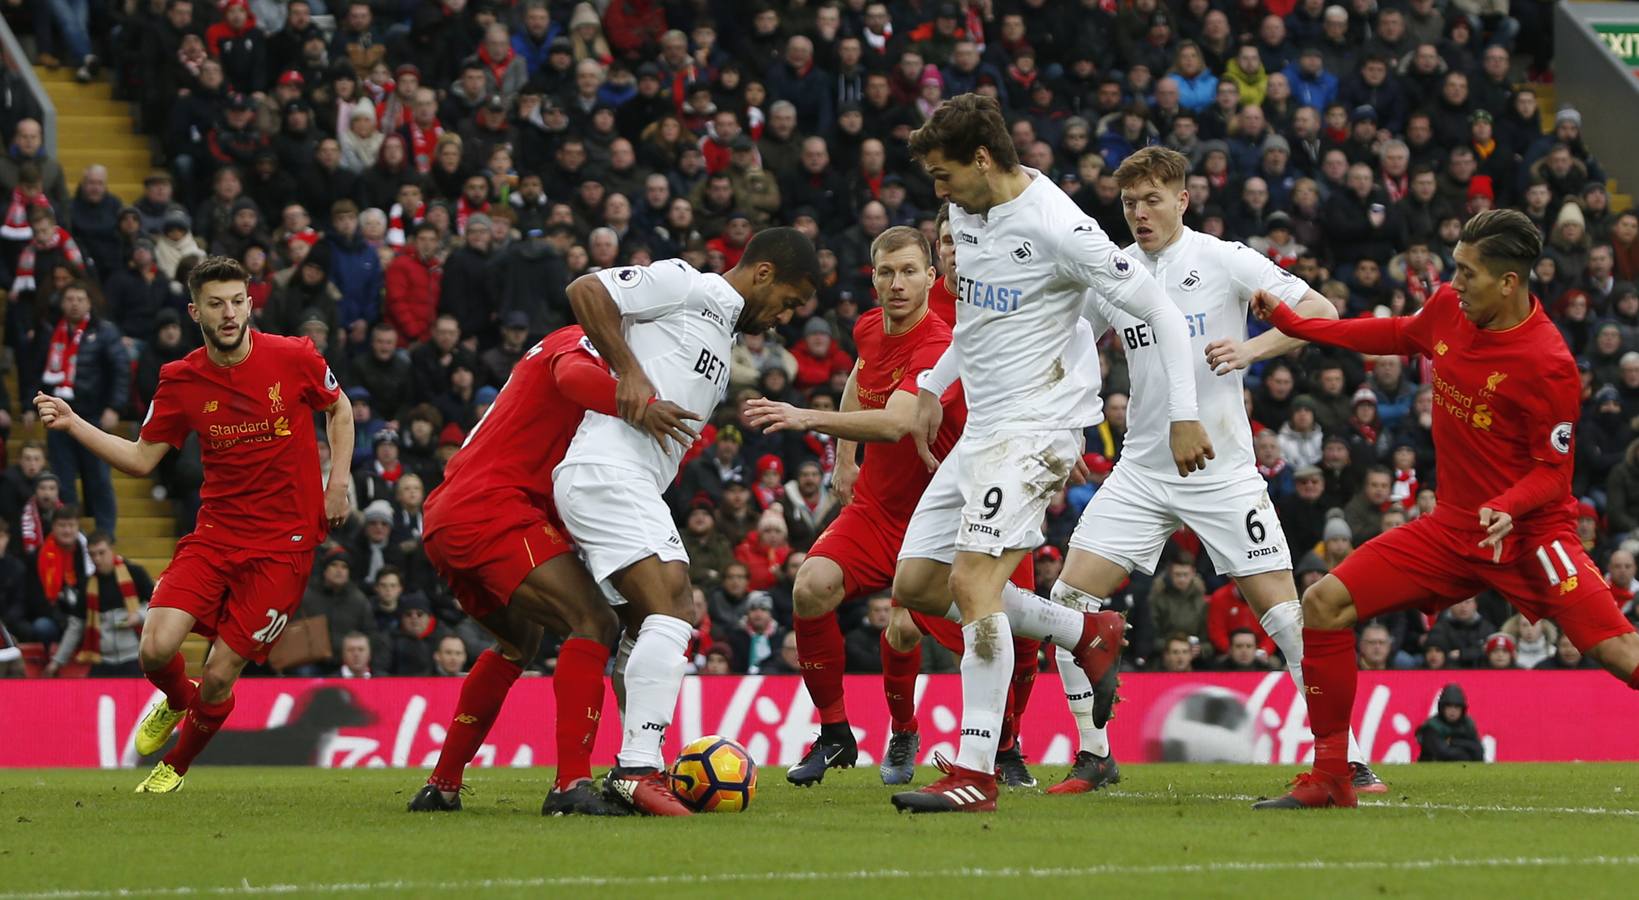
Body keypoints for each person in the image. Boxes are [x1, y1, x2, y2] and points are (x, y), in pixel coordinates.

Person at [885, 94, 1211, 814]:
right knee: (913, 585)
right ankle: (1081, 629)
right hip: (983, 430)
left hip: (1038, 430)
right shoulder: (968, 215)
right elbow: (975, 318)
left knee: (974, 584)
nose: (936, 193)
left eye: (942, 176)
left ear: (980, 159)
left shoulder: (1059, 225)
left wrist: (1184, 416)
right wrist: (935, 384)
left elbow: (1155, 308)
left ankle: (974, 768)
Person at [1252, 210, 1639, 809]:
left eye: (1467, 272)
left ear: (1509, 283)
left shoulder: (1548, 362)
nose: (1452, 281)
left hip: (1531, 535)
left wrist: (1508, 506)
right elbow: (1396, 334)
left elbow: (1554, 474)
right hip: (1451, 530)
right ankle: (1331, 774)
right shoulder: (1449, 309)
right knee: (1324, 603)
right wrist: (1301, 327)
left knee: (1618, 652)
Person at [1043, 147, 1383, 795]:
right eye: (1128, 203)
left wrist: (1252, 348)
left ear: (1181, 200)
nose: (1139, 213)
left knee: (1286, 617)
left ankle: (1349, 759)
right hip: (1141, 470)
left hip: (1222, 469)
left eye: (1150, 200)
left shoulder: (1222, 258)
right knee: (1067, 603)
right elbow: (1062, 336)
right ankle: (1094, 754)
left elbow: (1321, 312)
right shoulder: (1114, 274)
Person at [33, 256, 353, 793]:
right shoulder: (180, 380)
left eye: (236, 302)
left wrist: (337, 481)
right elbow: (140, 459)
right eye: (215, 304)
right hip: (216, 535)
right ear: (194, 311)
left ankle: (175, 766)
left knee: (222, 674)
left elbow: (338, 409)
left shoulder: (294, 356)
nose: (228, 314)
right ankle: (178, 700)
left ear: (250, 304)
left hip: (284, 546)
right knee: (155, 650)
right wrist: (73, 423)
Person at [745, 221, 1043, 789]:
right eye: (887, 272)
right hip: (881, 510)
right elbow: (862, 373)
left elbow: (901, 420)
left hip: (960, 512)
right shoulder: (867, 327)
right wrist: (843, 457)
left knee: (1002, 632)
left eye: (910, 271)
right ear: (873, 278)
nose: (897, 283)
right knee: (810, 587)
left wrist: (804, 416)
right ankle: (838, 734)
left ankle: (1004, 747)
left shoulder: (942, 338)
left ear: (930, 276)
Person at [553, 226, 818, 816]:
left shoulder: (723, 336)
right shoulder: (686, 284)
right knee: (675, 608)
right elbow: (587, 289)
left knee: (640, 625)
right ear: (765, 273)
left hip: (626, 479)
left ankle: (629, 766)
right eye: (790, 301)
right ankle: (639, 770)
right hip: (607, 469)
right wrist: (629, 372)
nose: (785, 317)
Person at [409, 322, 692, 817]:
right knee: (594, 622)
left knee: (520, 644)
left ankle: (442, 785)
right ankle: (570, 785)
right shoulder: (585, 338)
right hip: (493, 507)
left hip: (454, 512)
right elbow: (571, 378)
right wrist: (643, 407)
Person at [45, 531, 155, 678]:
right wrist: (56, 662)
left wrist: (139, 616)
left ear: (112, 549)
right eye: (92, 554)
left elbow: (158, 606)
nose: (97, 559)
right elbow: (76, 626)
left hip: (134, 657)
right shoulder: (87, 584)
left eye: (101, 553)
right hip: (102, 660)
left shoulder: (135, 573)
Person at [1415, 683, 1485, 762]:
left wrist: (1453, 742)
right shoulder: (1432, 727)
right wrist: (1467, 749)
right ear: (1442, 708)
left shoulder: (1468, 724)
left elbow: (1478, 751)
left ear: (1462, 709)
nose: (1453, 711)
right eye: (1449, 706)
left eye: (1457, 707)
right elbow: (1444, 753)